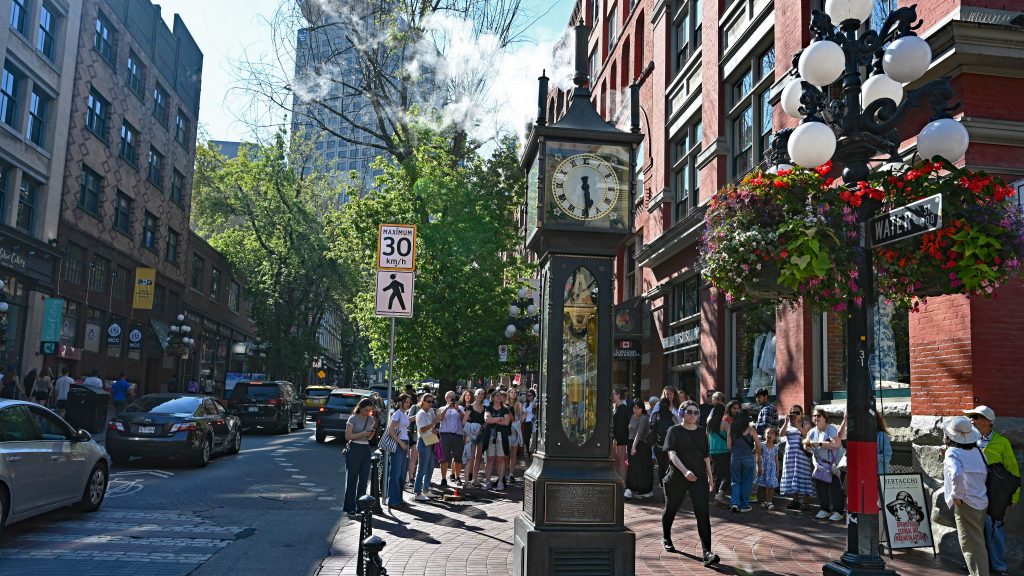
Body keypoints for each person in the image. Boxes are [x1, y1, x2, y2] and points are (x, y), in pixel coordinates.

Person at [661, 400, 720, 567]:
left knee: (702, 514)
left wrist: (710, 477)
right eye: (689, 412)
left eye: (695, 412)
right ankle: (666, 537)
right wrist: (685, 471)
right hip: (678, 477)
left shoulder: (702, 432)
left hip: (699, 478)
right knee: (671, 508)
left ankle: (707, 553)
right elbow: (671, 454)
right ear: (682, 413)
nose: (692, 415)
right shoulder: (674, 431)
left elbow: (706, 456)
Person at [964, 405, 1018, 576]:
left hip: (995, 496)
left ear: (988, 422)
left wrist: (1014, 497)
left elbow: (1013, 471)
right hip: (972, 494)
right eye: (971, 416)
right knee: (973, 531)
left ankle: (999, 567)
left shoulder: (1002, 443)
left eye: (976, 417)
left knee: (995, 529)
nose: (971, 420)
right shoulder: (967, 441)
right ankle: (974, 565)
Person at [942, 415, 989, 576]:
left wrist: (957, 496)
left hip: (966, 502)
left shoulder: (952, 452)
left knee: (970, 545)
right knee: (977, 541)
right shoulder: (978, 451)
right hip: (981, 500)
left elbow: (956, 473)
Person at [804, 407, 845, 521]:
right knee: (821, 486)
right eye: (814, 416)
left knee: (835, 487)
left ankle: (838, 511)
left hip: (835, 464)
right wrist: (808, 446)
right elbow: (805, 443)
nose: (816, 418)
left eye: (819, 416)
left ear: (825, 418)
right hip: (821, 464)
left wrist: (820, 444)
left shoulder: (830, 429)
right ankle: (825, 509)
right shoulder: (812, 431)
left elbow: (837, 444)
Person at [343, 398, 377, 516]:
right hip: (354, 448)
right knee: (352, 479)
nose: (368, 412)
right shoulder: (353, 418)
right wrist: (362, 433)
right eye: (366, 410)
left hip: (365, 449)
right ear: (361, 408)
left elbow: (369, 439)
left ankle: (361, 506)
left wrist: (371, 435)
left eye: (370, 410)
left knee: (363, 479)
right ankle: (350, 507)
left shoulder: (371, 419)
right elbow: (348, 436)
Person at [725, 400, 760, 512]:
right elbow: (759, 445)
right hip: (748, 458)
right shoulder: (751, 429)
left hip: (735, 458)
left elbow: (729, 446)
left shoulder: (732, 428)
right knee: (746, 482)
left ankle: (734, 503)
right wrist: (754, 451)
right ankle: (744, 505)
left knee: (735, 481)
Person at [780, 404, 815, 511]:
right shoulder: (788, 424)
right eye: (792, 412)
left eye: (797, 412)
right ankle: (795, 500)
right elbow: (781, 434)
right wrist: (786, 422)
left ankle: (805, 501)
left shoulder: (806, 423)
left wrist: (798, 425)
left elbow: (807, 435)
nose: (794, 414)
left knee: (803, 475)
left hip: (802, 455)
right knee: (791, 476)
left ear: (802, 414)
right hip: (790, 455)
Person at [386, 394, 413, 509]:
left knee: (402, 473)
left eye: (409, 402)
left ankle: (399, 499)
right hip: (399, 444)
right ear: (400, 402)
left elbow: (402, 427)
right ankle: (393, 500)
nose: (408, 404)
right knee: (396, 473)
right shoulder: (397, 413)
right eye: (406, 402)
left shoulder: (404, 414)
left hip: (405, 443)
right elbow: (390, 430)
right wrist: (400, 442)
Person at [482, 389, 512, 490]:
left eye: (500, 395)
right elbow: (487, 420)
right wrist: (500, 418)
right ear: (493, 397)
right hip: (490, 435)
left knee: (500, 459)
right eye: (497, 395)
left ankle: (500, 482)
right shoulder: (488, 408)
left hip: (501, 435)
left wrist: (493, 420)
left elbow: (507, 422)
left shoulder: (505, 408)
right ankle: (487, 482)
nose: (499, 397)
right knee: (490, 459)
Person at [624, 398, 653, 499]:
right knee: (632, 467)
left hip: (641, 446)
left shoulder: (644, 418)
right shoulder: (632, 416)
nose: (635, 410)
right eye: (634, 408)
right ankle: (631, 488)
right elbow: (630, 431)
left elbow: (639, 433)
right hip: (631, 443)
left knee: (641, 468)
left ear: (642, 409)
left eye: (637, 408)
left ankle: (645, 490)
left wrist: (633, 446)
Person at [413, 393, 440, 501]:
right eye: (428, 401)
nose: (430, 403)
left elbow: (430, 427)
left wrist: (434, 429)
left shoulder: (431, 411)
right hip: (423, 441)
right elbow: (422, 429)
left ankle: (425, 489)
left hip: (431, 440)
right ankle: (417, 492)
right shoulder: (421, 414)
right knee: (422, 467)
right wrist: (433, 424)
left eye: (432, 401)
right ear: (422, 401)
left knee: (430, 466)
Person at [437, 390, 465, 489]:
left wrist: (457, 409)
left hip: (457, 435)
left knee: (458, 457)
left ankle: (457, 477)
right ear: (446, 398)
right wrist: (447, 408)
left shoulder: (460, 408)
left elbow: (464, 419)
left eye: (453, 396)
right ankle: (444, 478)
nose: (451, 398)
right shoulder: (441, 408)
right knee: (444, 458)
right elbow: (439, 418)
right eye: (449, 396)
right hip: (445, 435)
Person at [650, 396, 680, 488]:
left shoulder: (655, 415)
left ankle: (662, 483)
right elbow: (677, 429)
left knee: (660, 466)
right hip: (669, 446)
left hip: (658, 445)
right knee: (668, 465)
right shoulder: (672, 416)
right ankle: (667, 483)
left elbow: (652, 428)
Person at [707, 398, 731, 506]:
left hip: (713, 452)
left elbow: (706, 439)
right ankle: (720, 494)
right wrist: (730, 449)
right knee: (727, 474)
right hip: (724, 451)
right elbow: (729, 439)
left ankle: (717, 495)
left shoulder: (709, 423)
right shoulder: (725, 424)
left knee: (717, 474)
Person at [463, 388, 487, 486]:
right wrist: (473, 427)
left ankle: (475, 479)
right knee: (470, 457)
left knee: (478, 457)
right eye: (479, 393)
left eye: (483, 394)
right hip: (472, 434)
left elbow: (486, 420)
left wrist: (484, 425)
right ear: (475, 395)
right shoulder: (470, 407)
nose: (481, 395)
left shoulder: (485, 407)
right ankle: (466, 481)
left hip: (481, 433)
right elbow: (464, 422)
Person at [756, 425, 780, 510]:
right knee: (763, 485)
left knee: (771, 485)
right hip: (763, 468)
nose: (769, 435)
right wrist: (758, 467)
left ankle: (770, 501)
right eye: (768, 433)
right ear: (764, 435)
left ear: (775, 436)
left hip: (772, 469)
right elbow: (757, 456)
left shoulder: (776, 447)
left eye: (772, 433)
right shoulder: (761, 445)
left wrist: (777, 470)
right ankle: (764, 501)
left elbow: (776, 460)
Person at [612, 389, 630, 479]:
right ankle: (619, 482)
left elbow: (622, 426)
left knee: (621, 462)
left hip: (621, 439)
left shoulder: (623, 408)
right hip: (617, 438)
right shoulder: (617, 407)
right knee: (617, 462)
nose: (612, 395)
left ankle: (623, 484)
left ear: (618, 395)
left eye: (613, 394)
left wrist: (617, 439)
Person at [522, 389, 536, 460]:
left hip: (533, 423)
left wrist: (534, 407)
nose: (528, 397)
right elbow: (524, 414)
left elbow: (534, 413)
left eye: (530, 395)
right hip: (527, 423)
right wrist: (521, 422)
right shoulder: (525, 404)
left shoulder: (536, 403)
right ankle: (529, 454)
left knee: (533, 439)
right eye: (527, 395)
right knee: (527, 440)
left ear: (533, 396)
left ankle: (533, 455)